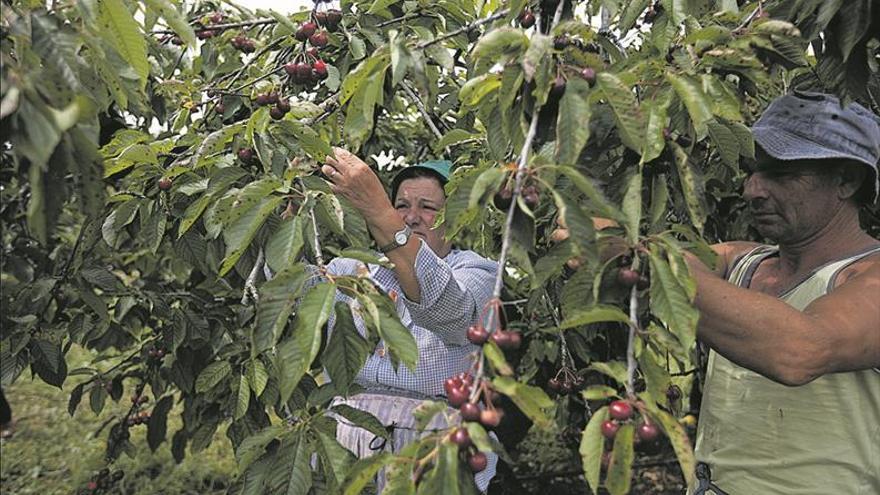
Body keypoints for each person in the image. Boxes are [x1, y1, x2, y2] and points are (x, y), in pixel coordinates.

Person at [684, 91, 880, 494]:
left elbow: (803, 350)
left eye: (781, 174)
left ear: (846, 180)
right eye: (753, 172)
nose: (752, 191)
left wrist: (648, 267)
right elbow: (660, 255)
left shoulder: (870, 276)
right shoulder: (741, 261)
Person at [320, 149, 499, 491]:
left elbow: (451, 313)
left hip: (435, 448)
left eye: (427, 207)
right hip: (347, 442)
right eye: (401, 205)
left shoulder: (479, 273)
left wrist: (381, 213)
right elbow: (284, 294)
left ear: (457, 218)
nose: (411, 217)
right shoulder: (348, 270)